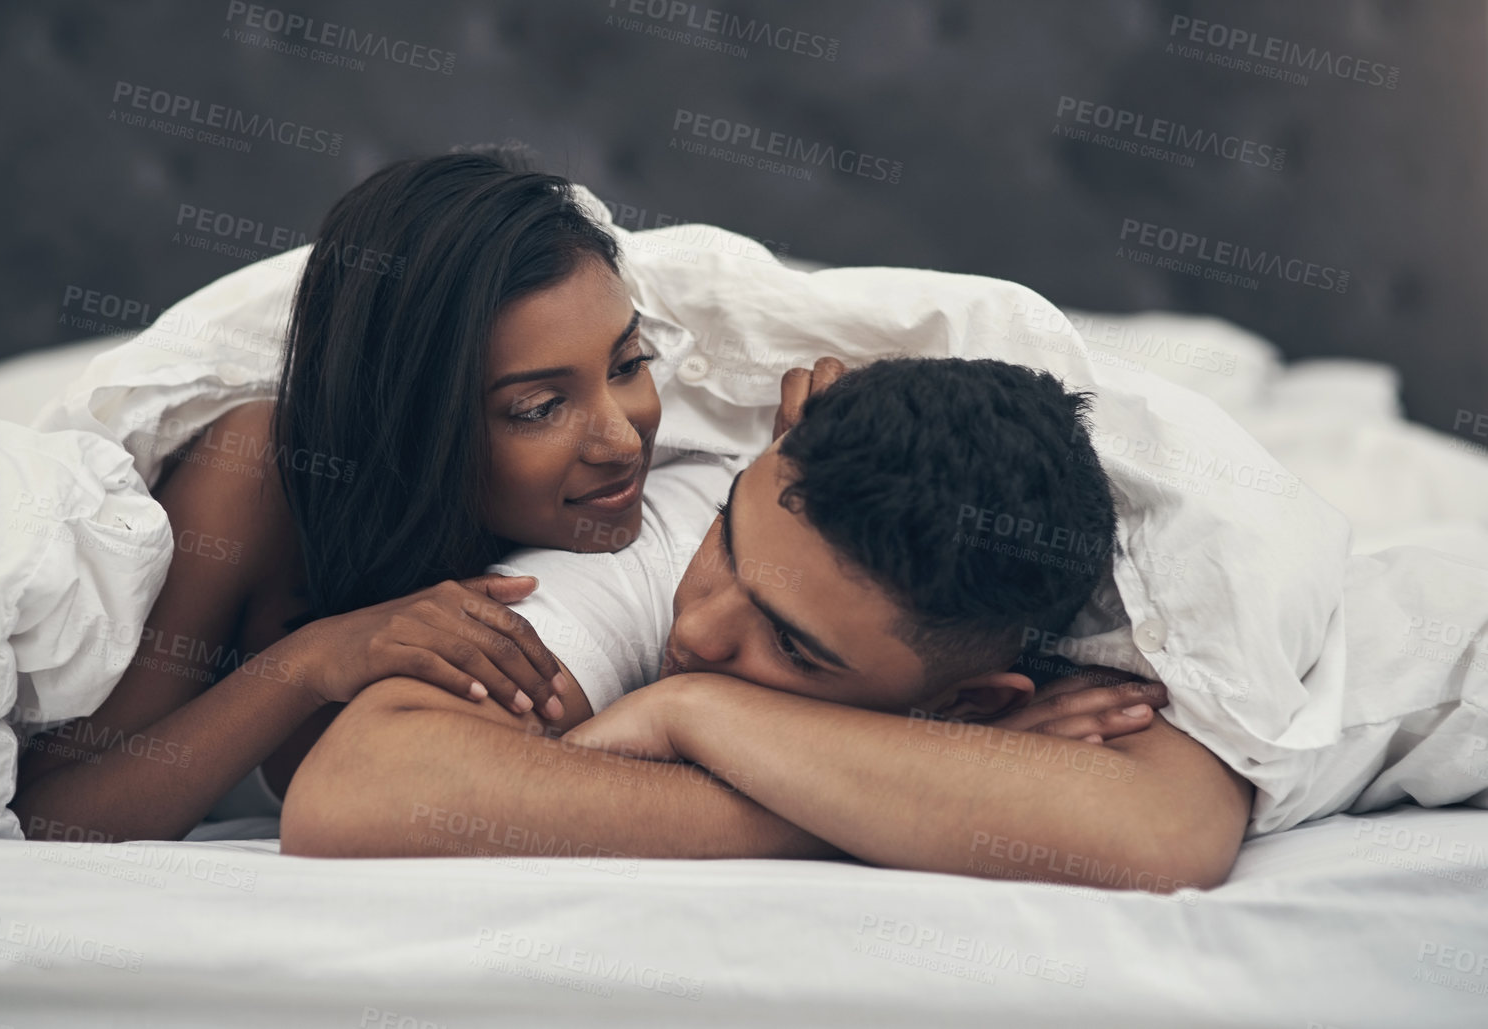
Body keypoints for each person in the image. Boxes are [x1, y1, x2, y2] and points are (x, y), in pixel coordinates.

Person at [281, 353, 1488, 892]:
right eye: (731, 557)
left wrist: (687, 715)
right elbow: (359, 788)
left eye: (792, 651)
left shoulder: (1163, 628)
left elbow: (1162, 838)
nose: (699, 632)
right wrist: (921, 794)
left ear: (971, 708)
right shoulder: (711, 510)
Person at [12, 150, 661, 841]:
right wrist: (311, 663)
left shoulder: (696, 476)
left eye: (628, 364)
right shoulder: (262, 476)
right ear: (410, 418)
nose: (621, 441)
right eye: (537, 407)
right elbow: (54, 815)